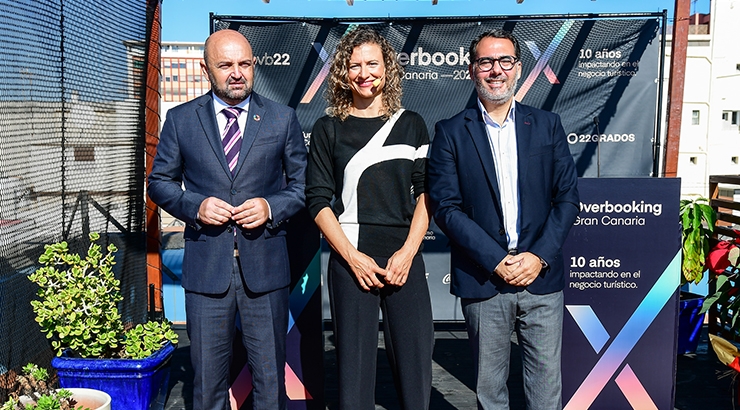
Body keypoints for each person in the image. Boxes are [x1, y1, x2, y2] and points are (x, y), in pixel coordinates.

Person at [148, 29, 306, 410]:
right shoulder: (182, 120)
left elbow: (303, 187)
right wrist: (195, 206)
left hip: (266, 272)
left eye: (244, 64)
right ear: (206, 69)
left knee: (271, 382)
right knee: (207, 385)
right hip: (207, 271)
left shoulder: (282, 119)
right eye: (226, 65)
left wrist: (270, 207)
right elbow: (159, 183)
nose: (237, 73)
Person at [427, 29, 579, 409]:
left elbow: (567, 198)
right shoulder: (449, 132)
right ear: (472, 70)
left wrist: (538, 256)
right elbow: (446, 207)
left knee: (546, 392)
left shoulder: (547, 125)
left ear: (518, 68)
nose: (496, 70)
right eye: (486, 62)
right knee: (489, 392)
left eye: (505, 61)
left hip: (540, 278)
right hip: (484, 279)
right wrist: (495, 260)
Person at [305, 26, 434, 410]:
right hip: (351, 261)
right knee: (354, 376)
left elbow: (427, 193)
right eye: (354, 65)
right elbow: (317, 201)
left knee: (416, 371)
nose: (364, 73)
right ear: (344, 73)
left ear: (387, 68)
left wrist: (408, 252)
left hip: (403, 260)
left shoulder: (412, 123)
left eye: (372, 64)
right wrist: (351, 257)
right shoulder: (328, 128)